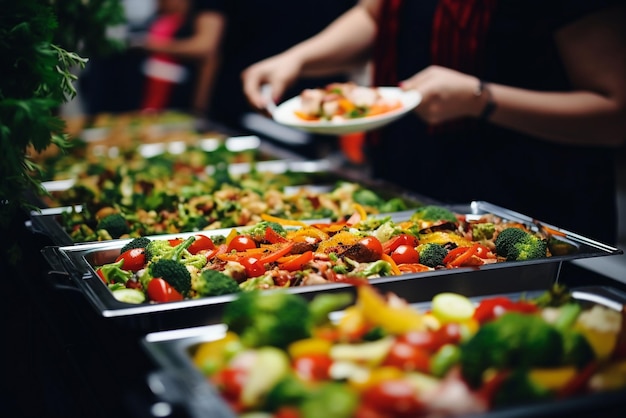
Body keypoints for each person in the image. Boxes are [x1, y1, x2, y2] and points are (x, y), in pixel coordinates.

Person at [242, 0, 626, 245]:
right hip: (416, 188)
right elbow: (377, 13)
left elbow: (615, 114)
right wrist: (297, 59)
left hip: (530, 206)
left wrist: (482, 99)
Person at [137, 0, 225, 113]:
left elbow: (207, 52)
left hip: (180, 90)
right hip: (153, 84)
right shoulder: (158, 19)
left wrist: (200, 103)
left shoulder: (192, 19)